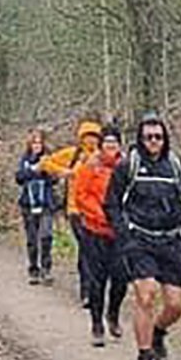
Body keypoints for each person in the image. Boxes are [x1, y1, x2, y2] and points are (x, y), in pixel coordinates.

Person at [106, 114, 181, 360]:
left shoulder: (177, 166)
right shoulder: (128, 166)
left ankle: (158, 332)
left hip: (171, 240)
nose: (153, 142)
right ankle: (144, 358)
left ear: (165, 138)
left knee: (176, 305)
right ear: (140, 140)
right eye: (148, 137)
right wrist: (125, 236)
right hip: (140, 239)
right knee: (146, 295)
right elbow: (112, 204)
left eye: (158, 137)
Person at [69, 129, 129, 346]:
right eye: (108, 142)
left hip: (121, 232)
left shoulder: (127, 167)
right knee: (97, 279)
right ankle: (96, 323)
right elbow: (81, 195)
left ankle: (113, 314)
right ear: (101, 145)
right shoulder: (90, 167)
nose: (111, 146)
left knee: (121, 278)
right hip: (95, 231)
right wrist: (103, 215)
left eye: (115, 142)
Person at [40, 119, 107, 309]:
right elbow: (46, 163)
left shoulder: (102, 157)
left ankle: (95, 289)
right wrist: (65, 172)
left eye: (94, 137)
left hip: (98, 212)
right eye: (87, 137)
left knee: (96, 251)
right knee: (86, 248)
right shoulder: (72, 154)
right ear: (81, 138)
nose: (91, 141)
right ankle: (87, 292)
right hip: (75, 211)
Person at [14, 131, 60, 285]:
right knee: (32, 239)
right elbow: (19, 178)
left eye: (39, 143)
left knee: (46, 236)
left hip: (46, 203)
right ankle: (33, 269)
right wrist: (33, 170)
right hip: (29, 204)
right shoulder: (25, 160)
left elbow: (55, 178)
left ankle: (46, 269)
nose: (36, 146)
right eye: (34, 143)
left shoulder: (49, 159)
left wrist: (46, 170)